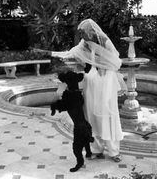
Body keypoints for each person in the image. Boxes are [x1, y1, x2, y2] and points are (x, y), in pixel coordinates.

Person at [34, 18, 127, 162]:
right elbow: (68, 53)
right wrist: (49, 53)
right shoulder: (84, 43)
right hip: (91, 80)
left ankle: (114, 151)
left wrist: (99, 60)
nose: (81, 36)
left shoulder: (105, 42)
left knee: (107, 113)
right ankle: (97, 149)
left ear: (91, 31)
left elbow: (116, 62)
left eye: (82, 32)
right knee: (90, 114)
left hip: (106, 80)